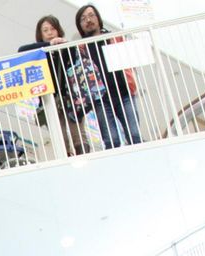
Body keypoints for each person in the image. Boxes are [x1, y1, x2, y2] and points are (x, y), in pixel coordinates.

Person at [20, 16, 92, 156]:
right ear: (40, 35)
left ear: (58, 30)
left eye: (53, 29)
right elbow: (21, 50)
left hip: (71, 98)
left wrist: (62, 45)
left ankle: (84, 158)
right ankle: (68, 159)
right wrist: (48, 45)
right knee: (61, 137)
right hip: (50, 101)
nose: (49, 33)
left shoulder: (66, 47)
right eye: (45, 30)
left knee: (78, 133)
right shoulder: (38, 52)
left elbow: (75, 59)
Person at [74, 4, 142, 149]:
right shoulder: (80, 47)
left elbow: (131, 60)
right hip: (100, 99)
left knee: (135, 135)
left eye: (91, 15)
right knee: (111, 140)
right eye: (83, 19)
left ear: (98, 18)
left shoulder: (114, 37)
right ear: (80, 25)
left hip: (124, 92)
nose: (88, 20)